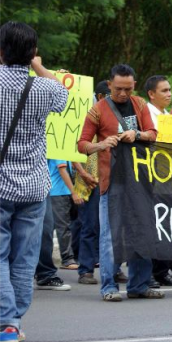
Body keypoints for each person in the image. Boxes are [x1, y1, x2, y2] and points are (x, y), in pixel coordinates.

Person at [0, 21, 68, 341]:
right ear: (33, 54)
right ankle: (15, 320)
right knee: (24, 257)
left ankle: (6, 322)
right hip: (34, 187)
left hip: (0, 185)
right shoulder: (45, 89)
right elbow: (61, 92)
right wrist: (38, 66)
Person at [77, 64, 163, 302]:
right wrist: (101, 145)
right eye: (118, 89)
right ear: (109, 84)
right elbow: (82, 144)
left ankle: (139, 285)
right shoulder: (97, 110)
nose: (123, 94)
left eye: (128, 89)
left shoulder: (141, 105)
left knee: (142, 232)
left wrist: (136, 135)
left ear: (134, 85)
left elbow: (153, 134)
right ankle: (108, 287)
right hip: (110, 182)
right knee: (108, 237)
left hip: (140, 181)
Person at [142, 75, 172, 287]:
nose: (169, 94)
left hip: (168, 176)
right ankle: (146, 272)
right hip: (150, 176)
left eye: (169, 90)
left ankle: (161, 270)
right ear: (151, 94)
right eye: (164, 90)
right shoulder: (145, 114)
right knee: (150, 224)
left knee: (164, 225)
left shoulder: (169, 116)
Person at [72, 82, 107, 285]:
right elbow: (71, 150)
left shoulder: (113, 120)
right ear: (100, 97)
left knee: (110, 227)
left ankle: (111, 267)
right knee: (90, 226)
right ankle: (85, 270)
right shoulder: (84, 118)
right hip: (88, 182)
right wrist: (83, 173)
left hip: (108, 181)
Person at [34, 159, 84, 292]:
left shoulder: (62, 150)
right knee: (60, 228)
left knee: (53, 229)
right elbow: (62, 170)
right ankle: (67, 259)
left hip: (52, 190)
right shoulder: (58, 151)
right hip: (56, 191)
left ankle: (44, 272)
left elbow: (73, 162)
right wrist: (74, 192)